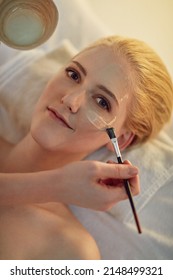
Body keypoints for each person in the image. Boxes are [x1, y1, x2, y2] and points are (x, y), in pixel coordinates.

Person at [0, 35, 172, 260]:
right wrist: (53, 185)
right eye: (74, 75)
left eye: (102, 102)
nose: (71, 100)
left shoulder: (68, 250)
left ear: (120, 140)